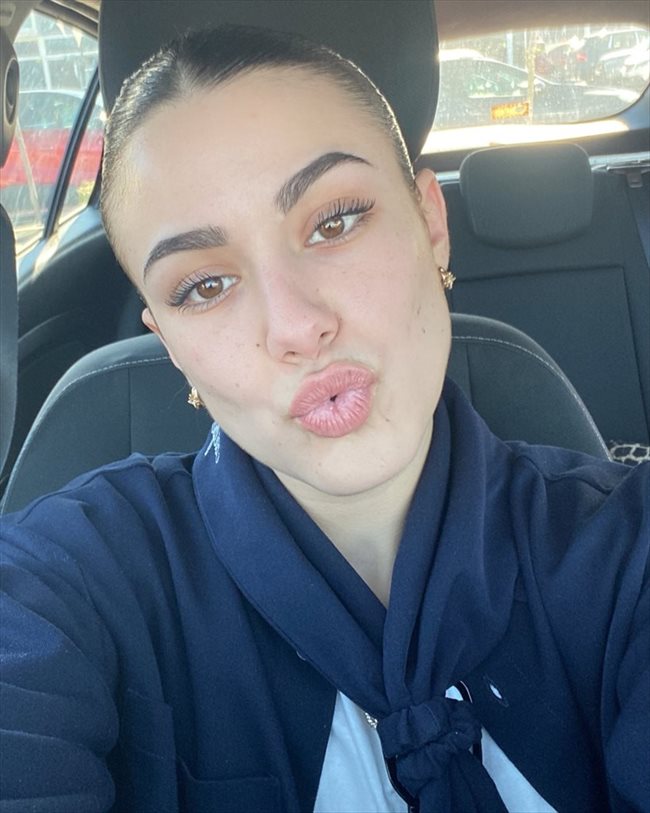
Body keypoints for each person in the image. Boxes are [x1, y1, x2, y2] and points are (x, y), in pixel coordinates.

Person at [0, 24, 648, 813]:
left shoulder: (628, 554)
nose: (296, 326)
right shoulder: (66, 584)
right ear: (170, 344)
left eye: (334, 220)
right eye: (204, 286)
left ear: (430, 222)